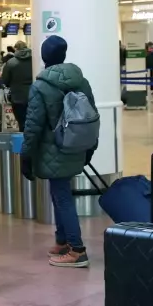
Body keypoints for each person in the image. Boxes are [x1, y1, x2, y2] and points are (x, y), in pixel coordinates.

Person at [20, 35, 95, 268]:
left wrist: (26, 155)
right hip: (76, 145)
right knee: (58, 192)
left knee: (62, 197)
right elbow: (91, 115)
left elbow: (33, 125)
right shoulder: (81, 81)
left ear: (44, 57)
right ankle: (63, 241)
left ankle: (77, 250)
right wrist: (91, 146)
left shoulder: (40, 86)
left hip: (53, 149)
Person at [0, 40, 33, 129]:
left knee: (22, 122)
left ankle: (24, 140)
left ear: (16, 49)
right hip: (34, 96)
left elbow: (5, 81)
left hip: (17, 97)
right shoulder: (34, 60)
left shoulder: (11, 63)